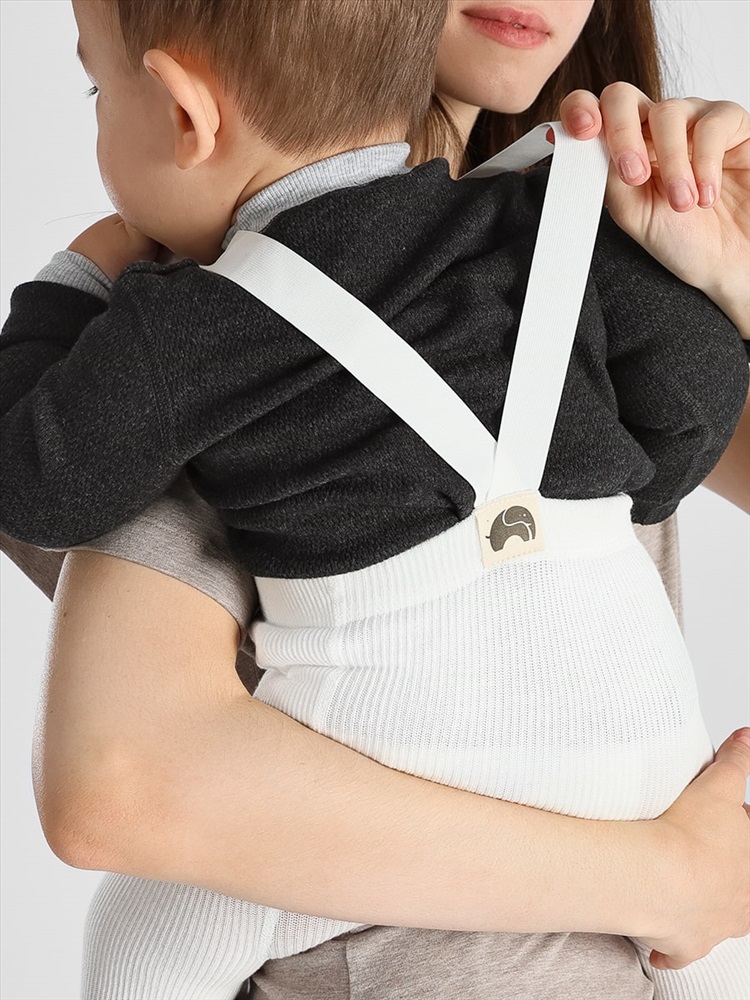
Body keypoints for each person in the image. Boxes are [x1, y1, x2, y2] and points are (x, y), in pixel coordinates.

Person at [1, 2, 748, 999]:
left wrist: (75, 289)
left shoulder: (180, 328)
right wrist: (672, 876)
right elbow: (117, 786)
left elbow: (34, 474)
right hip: (648, 779)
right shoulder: (559, 233)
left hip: (406, 747)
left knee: (138, 945)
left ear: (182, 112)